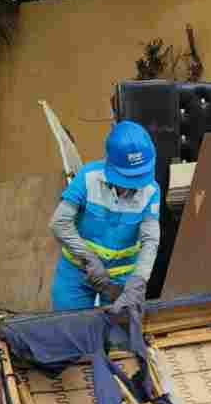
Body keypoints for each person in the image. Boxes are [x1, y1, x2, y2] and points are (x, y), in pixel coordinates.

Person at [48, 119, 160, 314]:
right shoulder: (88, 177)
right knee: (67, 331)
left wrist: (138, 281)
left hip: (123, 279)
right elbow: (59, 223)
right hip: (77, 272)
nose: (135, 184)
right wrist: (89, 258)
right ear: (112, 166)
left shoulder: (151, 191)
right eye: (129, 177)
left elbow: (150, 240)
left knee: (121, 339)